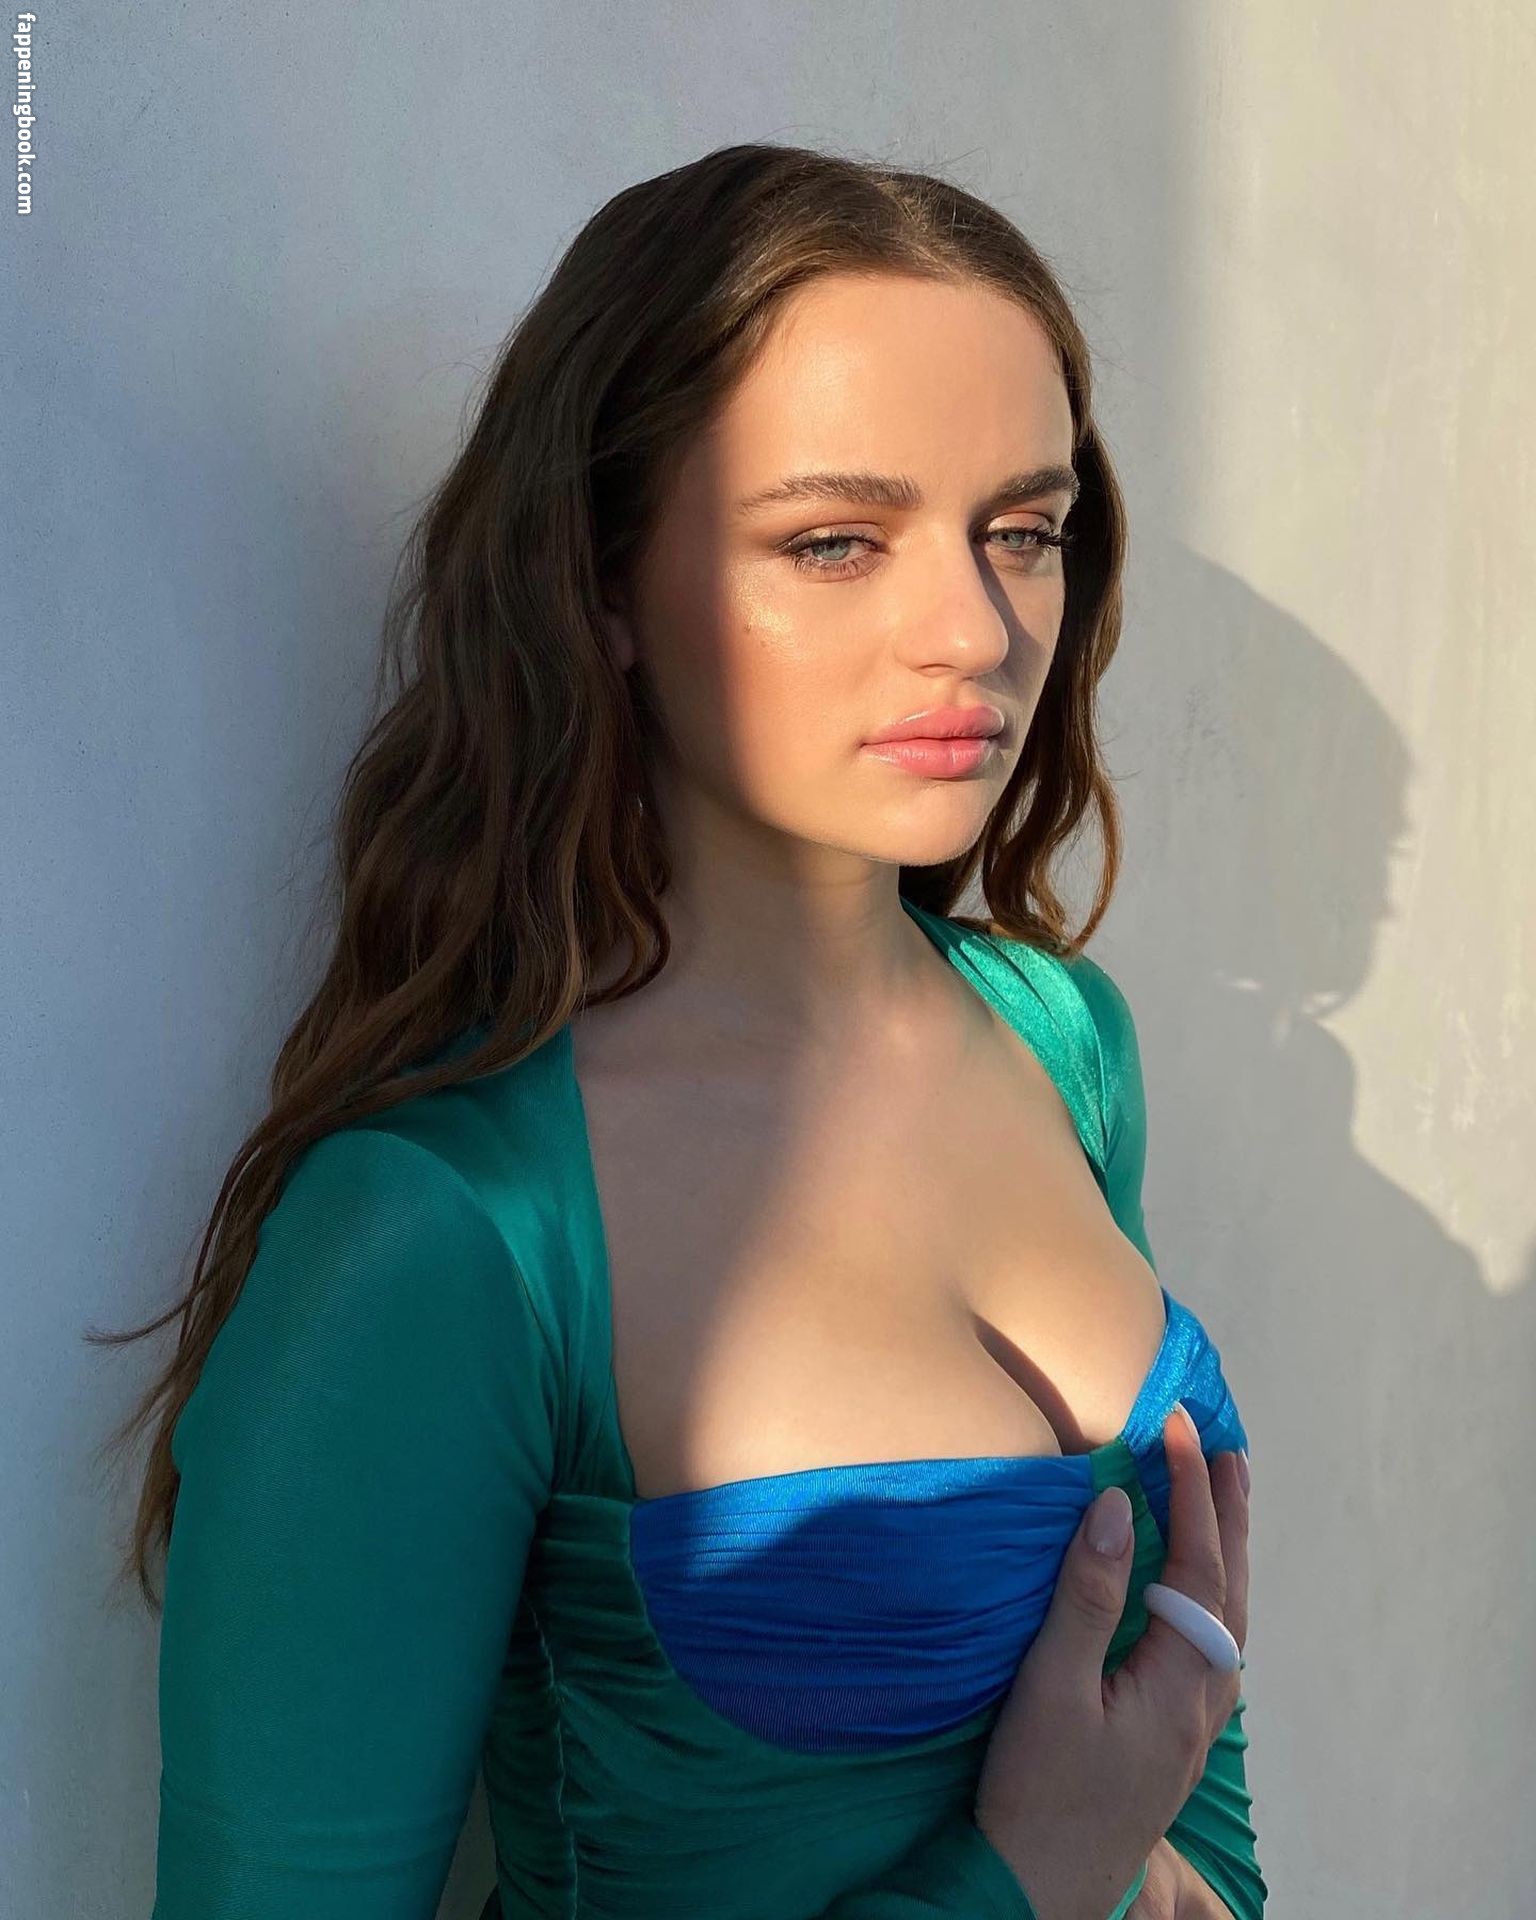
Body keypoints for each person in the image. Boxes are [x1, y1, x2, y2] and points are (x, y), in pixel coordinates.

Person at [95, 142, 1266, 1918]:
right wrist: (1025, 1878)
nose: (974, 630)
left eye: (1021, 532)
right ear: (600, 580)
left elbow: (1181, 1728)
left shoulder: (1061, 1043)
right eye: (835, 542)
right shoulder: (446, 1232)